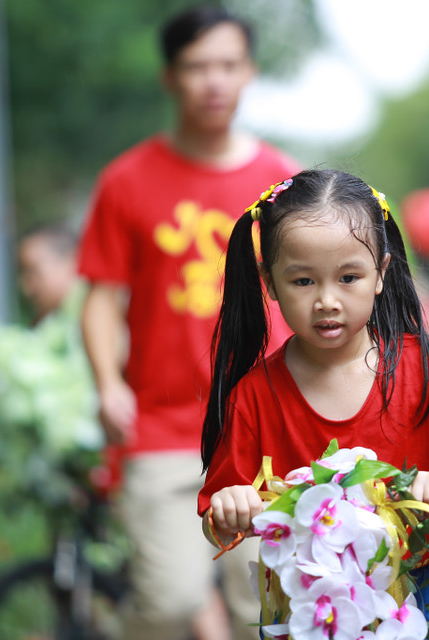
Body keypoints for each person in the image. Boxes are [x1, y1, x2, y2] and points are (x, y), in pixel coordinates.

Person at [196, 169, 429, 634]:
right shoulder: (254, 395)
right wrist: (229, 505)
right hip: (310, 605)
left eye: (348, 277)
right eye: (303, 281)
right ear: (270, 283)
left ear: (381, 272)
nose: (327, 300)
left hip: (419, 600)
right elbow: (217, 526)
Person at [77, 6, 298, 640]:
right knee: (169, 603)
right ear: (169, 77)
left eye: (228, 65)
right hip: (161, 428)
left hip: (262, 424)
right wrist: (107, 384)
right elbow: (100, 298)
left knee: (267, 612)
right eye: (197, 67)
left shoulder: (282, 183)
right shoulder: (126, 181)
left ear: (250, 72)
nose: (214, 81)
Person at [17, 222, 81, 325]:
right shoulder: (43, 323)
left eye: (32, 272)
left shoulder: (99, 313)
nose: (26, 289)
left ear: (71, 260)